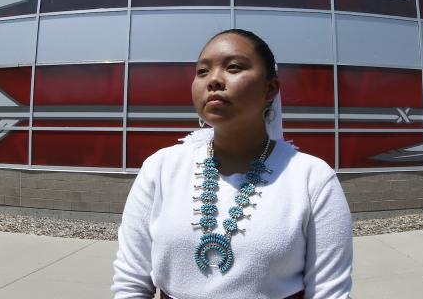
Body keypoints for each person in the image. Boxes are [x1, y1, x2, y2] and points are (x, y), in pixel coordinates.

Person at [111, 29, 353, 298]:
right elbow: (131, 283)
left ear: (270, 88)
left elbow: (330, 293)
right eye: (202, 71)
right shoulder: (160, 168)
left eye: (234, 67)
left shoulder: (311, 178)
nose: (213, 79)